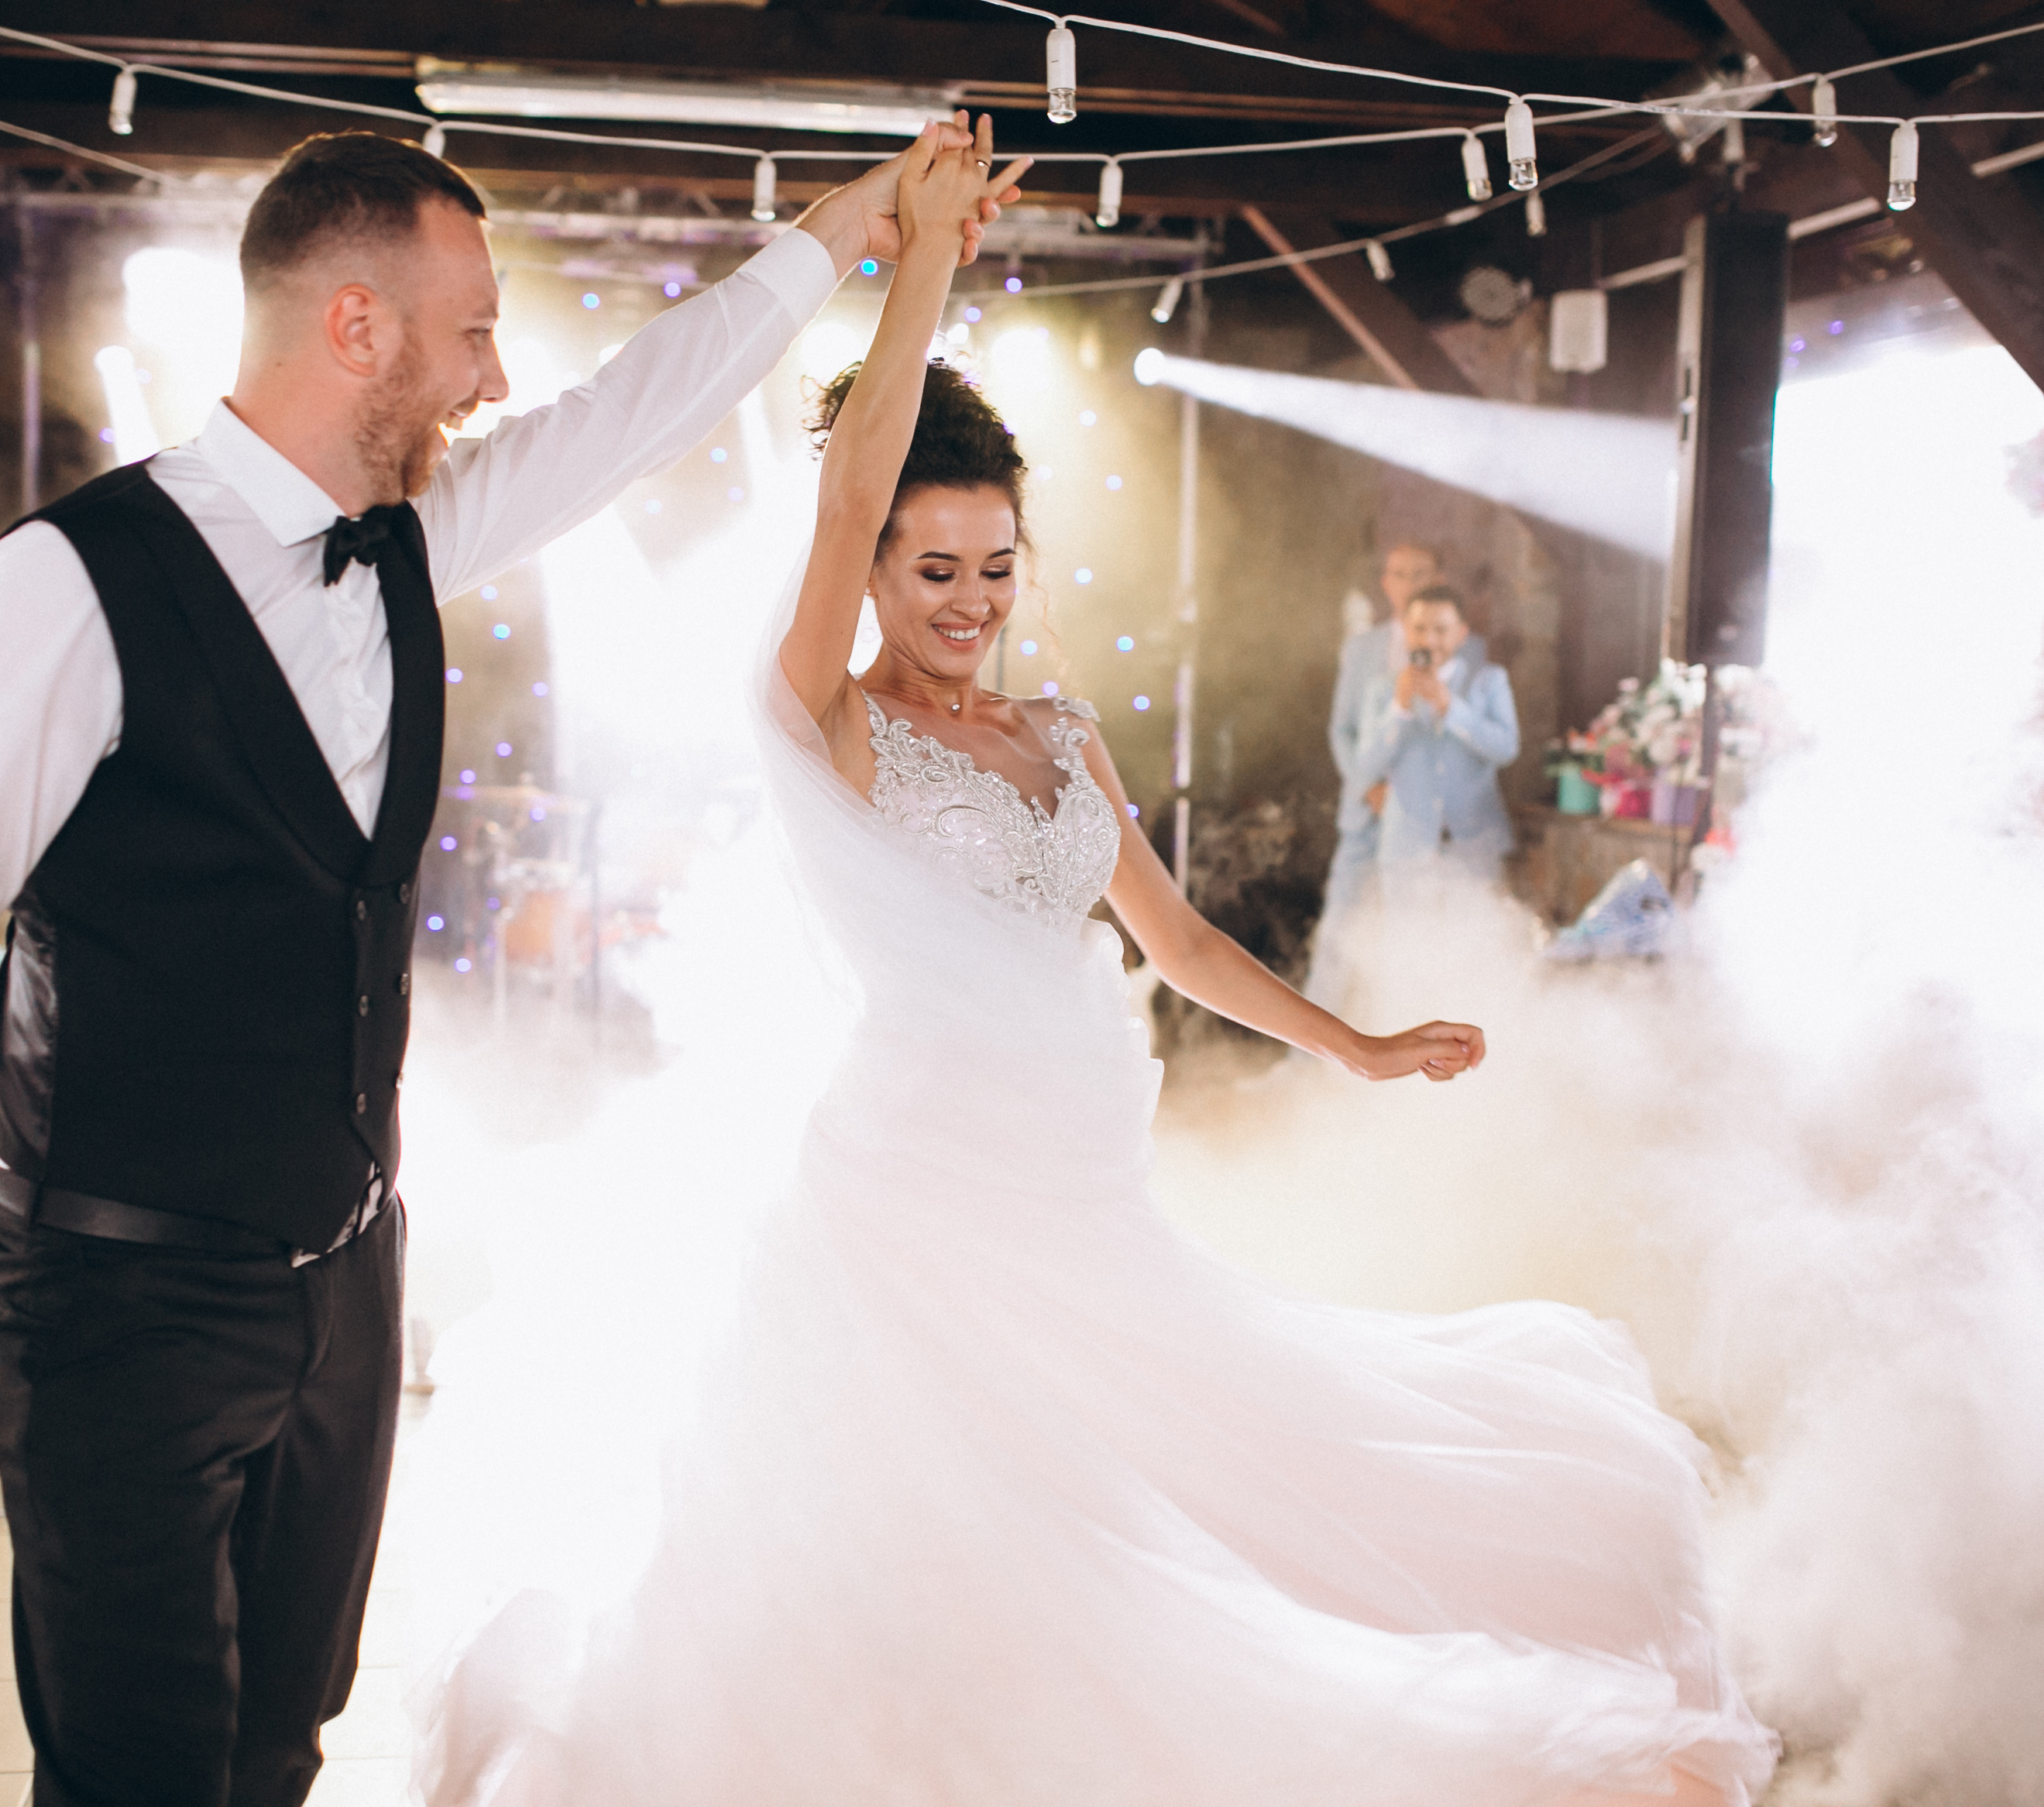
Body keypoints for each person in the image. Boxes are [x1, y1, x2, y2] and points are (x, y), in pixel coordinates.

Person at [408, 123, 1774, 1807]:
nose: (967, 599)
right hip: (910, 1199)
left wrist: (1352, 1044)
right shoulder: (824, 720)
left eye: (995, 567)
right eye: (931, 568)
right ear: (870, 566)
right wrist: (922, 259)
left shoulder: (1060, 736)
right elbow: (851, 476)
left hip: (1077, 1195)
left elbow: (1177, 938)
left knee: (1169, 1500)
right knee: (957, 1548)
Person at [0, 124, 1005, 1806]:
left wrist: (852, 228)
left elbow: (633, 410)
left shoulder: (406, 538)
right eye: (472, 333)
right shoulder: (63, 586)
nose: (495, 376)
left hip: (343, 1281)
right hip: (118, 1297)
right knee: (137, 1769)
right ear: (355, 326)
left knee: (279, 1742)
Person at [1301, 538, 1469, 1009]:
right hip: (1365, 814)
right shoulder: (1362, 649)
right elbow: (1342, 730)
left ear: (1437, 581)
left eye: (1420, 574)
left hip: (1428, 821)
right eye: (1400, 574)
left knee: (1418, 939)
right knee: (1338, 936)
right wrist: (1367, 787)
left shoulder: (1469, 650)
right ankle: (1303, 1050)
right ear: (1385, 583)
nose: (1409, 584)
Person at [1350, 582, 1521, 901]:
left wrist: (1451, 708)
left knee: (1478, 933)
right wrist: (1399, 709)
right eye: (1419, 629)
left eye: (1441, 630)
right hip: (1405, 852)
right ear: (1405, 630)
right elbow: (1366, 765)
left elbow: (1507, 749)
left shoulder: (1490, 681)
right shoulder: (1382, 690)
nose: (1429, 640)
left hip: (1475, 850)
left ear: (1462, 633)